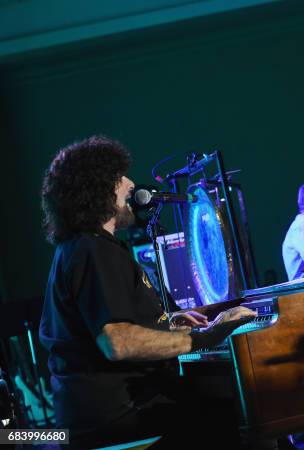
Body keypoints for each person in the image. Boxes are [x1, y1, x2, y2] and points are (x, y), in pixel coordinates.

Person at [39, 136, 256, 448]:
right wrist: (208, 336)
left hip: (99, 415)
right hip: (118, 417)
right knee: (237, 417)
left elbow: (111, 325)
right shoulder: (93, 249)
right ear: (99, 189)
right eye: (119, 177)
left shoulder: (81, 248)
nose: (130, 184)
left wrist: (167, 323)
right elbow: (117, 341)